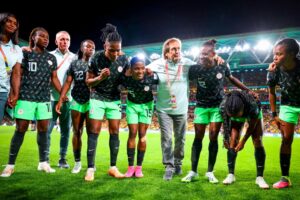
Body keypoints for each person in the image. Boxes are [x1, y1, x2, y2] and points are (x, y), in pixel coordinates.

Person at [147, 37, 224, 181]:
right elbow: (140, 70)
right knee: (167, 139)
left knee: (180, 140)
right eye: (173, 49)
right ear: (166, 53)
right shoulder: (156, 64)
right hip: (163, 109)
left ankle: (178, 162)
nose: (177, 51)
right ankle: (169, 166)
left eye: (179, 48)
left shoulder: (188, 63)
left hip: (182, 109)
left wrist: (217, 58)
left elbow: (206, 63)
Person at [181, 39, 254, 183]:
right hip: (201, 106)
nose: (201, 57)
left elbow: (231, 78)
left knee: (213, 136)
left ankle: (210, 172)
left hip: (218, 106)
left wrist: (248, 90)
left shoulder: (222, 65)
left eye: (205, 54)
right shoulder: (196, 68)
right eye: (200, 54)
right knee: (198, 137)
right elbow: (182, 77)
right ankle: (193, 171)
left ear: (213, 54)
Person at [0, 27, 61, 177]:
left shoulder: (51, 58)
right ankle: (10, 165)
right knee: (20, 129)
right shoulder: (25, 53)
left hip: (44, 98)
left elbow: (54, 78)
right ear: (33, 37)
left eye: (47, 37)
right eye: (42, 36)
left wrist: (63, 94)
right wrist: (14, 93)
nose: (46, 39)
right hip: (26, 96)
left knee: (44, 130)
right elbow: (17, 74)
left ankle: (43, 163)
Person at [85, 23, 129, 181]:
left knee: (115, 132)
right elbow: (88, 82)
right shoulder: (96, 57)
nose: (116, 54)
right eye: (112, 50)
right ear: (105, 46)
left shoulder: (124, 58)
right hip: (97, 97)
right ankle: (90, 169)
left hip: (114, 99)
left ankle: (113, 167)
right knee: (94, 131)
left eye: (118, 50)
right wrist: (100, 78)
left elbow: (127, 79)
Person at [56, 39, 95, 174]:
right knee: (76, 132)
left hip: (92, 102)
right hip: (76, 100)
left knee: (92, 134)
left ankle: (91, 163)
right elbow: (67, 82)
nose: (90, 48)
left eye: (93, 47)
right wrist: (61, 98)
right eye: (88, 46)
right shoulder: (74, 63)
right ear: (81, 48)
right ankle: (77, 162)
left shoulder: (96, 63)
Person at [267, 38, 300, 189]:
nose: (275, 57)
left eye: (279, 54)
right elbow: (272, 93)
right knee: (286, 139)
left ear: (292, 54)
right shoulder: (273, 71)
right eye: (274, 54)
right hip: (288, 105)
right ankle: (285, 178)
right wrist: (274, 114)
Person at [219, 90, 269, 189]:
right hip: (236, 115)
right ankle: (231, 175)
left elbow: (252, 126)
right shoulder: (223, 106)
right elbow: (225, 122)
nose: (234, 116)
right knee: (232, 141)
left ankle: (260, 177)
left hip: (252, 116)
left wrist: (243, 141)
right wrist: (225, 138)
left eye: (236, 114)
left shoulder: (252, 105)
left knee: (257, 140)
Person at [122, 56, 159, 178]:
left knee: (142, 135)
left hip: (146, 106)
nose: (140, 71)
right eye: (136, 69)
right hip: (132, 105)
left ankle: (139, 168)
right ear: (131, 69)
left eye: (142, 68)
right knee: (132, 133)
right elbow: (117, 76)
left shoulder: (150, 78)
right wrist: (124, 72)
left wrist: (152, 71)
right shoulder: (126, 79)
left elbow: (163, 78)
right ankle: (130, 167)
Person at [46, 31, 76, 169]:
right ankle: (44, 159)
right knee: (47, 130)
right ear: (56, 41)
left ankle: (62, 159)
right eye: (62, 39)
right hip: (50, 98)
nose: (64, 41)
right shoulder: (49, 55)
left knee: (65, 131)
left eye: (67, 39)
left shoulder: (75, 58)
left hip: (68, 100)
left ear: (70, 42)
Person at [0, 13, 23, 123]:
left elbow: (16, 74)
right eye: (8, 21)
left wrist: (15, 94)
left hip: (2, 92)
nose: (12, 25)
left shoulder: (17, 49)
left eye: (15, 23)